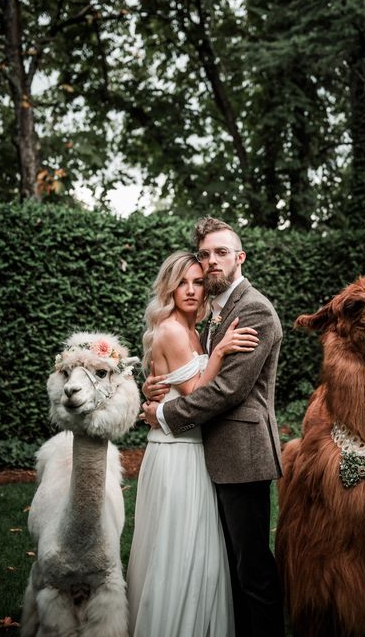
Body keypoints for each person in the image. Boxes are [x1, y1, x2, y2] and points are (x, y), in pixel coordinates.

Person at [142, 217, 285, 637]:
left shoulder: (253, 309)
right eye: (205, 254)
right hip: (212, 454)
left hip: (242, 455)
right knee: (229, 566)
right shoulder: (214, 312)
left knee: (253, 569)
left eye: (221, 252)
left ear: (240, 257)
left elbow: (226, 390)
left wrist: (165, 415)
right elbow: (185, 370)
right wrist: (156, 386)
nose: (211, 262)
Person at [127, 250, 259, 637]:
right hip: (176, 455)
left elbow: (169, 390)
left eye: (197, 282)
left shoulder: (194, 331)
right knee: (177, 552)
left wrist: (151, 393)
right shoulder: (171, 329)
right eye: (181, 282)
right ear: (169, 287)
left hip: (191, 450)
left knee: (196, 552)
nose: (190, 290)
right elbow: (196, 392)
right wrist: (220, 352)